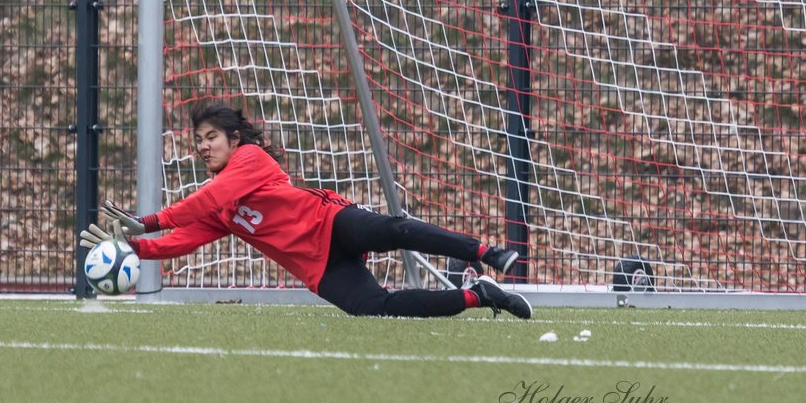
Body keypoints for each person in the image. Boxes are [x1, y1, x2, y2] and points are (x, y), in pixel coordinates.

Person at [80, 103, 531, 319]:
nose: (202, 147)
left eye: (210, 137)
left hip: (331, 224)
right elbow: (185, 238)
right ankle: (481, 296)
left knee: (397, 229)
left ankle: (486, 252)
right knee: (373, 309)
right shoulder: (221, 204)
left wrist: (153, 220)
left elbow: (207, 201)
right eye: (197, 141)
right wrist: (133, 246)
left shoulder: (250, 160)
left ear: (234, 139)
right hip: (316, 265)